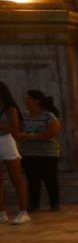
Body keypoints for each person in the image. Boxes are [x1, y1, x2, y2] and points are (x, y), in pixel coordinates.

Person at [17, 89, 61, 212]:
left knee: (49, 178)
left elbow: (53, 132)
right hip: (28, 152)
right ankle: (34, 203)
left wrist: (31, 136)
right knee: (32, 179)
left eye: (28, 99)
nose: (26, 101)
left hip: (47, 152)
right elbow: (17, 129)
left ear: (37, 101)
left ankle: (54, 203)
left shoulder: (48, 115)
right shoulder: (23, 115)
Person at [0, 80, 31, 224]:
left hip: (6, 141)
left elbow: (15, 129)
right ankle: (2, 212)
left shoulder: (10, 108)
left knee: (15, 177)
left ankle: (23, 211)